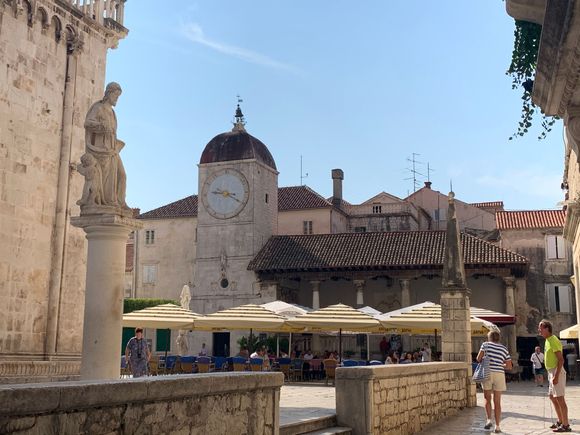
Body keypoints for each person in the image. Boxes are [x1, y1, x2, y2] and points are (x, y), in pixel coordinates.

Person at [83, 81, 128, 209]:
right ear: (108, 93)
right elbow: (87, 123)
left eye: (118, 97)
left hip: (113, 149)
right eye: (115, 96)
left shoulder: (113, 113)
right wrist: (100, 126)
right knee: (107, 178)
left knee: (122, 175)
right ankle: (108, 201)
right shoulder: (98, 107)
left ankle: (120, 202)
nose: (116, 99)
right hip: (101, 149)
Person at [476, 330, 512, 434]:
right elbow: (509, 366)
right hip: (499, 374)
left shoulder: (485, 345)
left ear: (489, 337)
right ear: (499, 338)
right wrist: (500, 364)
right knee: (497, 401)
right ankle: (498, 426)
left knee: (487, 398)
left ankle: (488, 420)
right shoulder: (504, 349)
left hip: (487, 372)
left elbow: (478, 358)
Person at [539, 319, 571, 432]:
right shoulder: (548, 340)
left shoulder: (553, 340)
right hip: (550, 372)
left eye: (541, 328)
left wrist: (556, 376)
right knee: (552, 397)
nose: (539, 330)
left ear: (547, 329)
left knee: (560, 398)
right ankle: (560, 420)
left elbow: (561, 360)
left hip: (556, 371)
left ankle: (566, 425)